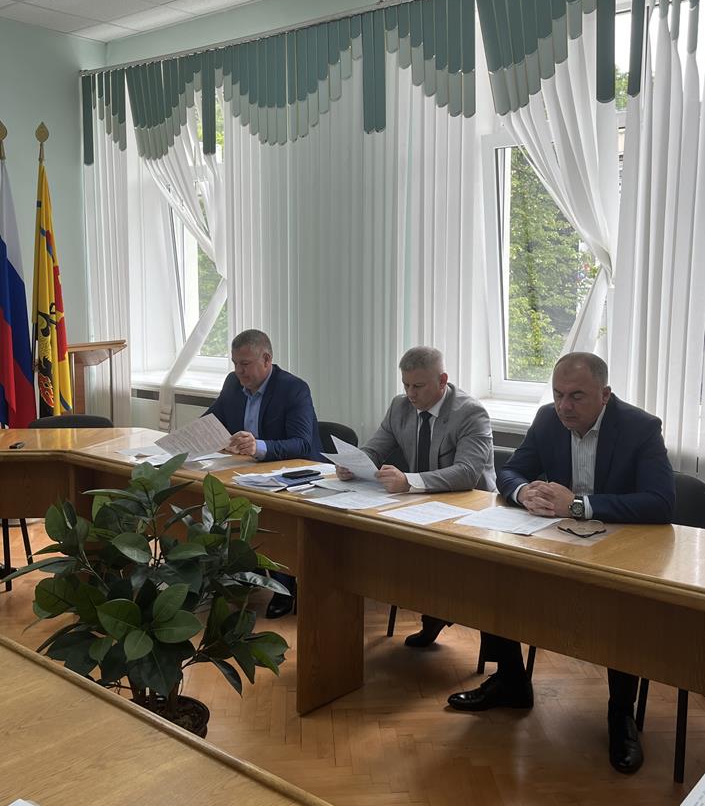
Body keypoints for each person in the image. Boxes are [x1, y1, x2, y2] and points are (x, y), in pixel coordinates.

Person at [447, 352, 675, 776]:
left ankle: (620, 713)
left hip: (620, 546)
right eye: (557, 394)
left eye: (576, 396)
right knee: (495, 571)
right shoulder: (547, 419)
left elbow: (661, 502)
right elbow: (511, 472)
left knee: (621, 602)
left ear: (605, 395)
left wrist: (579, 504)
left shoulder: (640, 427)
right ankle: (511, 681)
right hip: (557, 539)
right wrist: (525, 493)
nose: (564, 406)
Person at [338, 346, 495, 647]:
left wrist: (409, 481)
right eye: (406, 385)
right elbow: (375, 448)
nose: (410, 394)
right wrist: (354, 463)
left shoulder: (469, 412)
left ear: (442, 380)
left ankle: (452, 618)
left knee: (474, 572)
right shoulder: (400, 407)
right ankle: (433, 611)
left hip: (471, 508)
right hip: (421, 503)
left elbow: (467, 473)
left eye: (418, 386)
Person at [206, 329, 322, 618]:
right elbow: (211, 420)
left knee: (275, 516)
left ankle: (284, 584)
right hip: (247, 472)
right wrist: (190, 437)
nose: (239, 371)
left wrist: (258, 446)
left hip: (295, 475)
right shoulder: (233, 384)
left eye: (245, 364)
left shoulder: (293, 389)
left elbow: (302, 444)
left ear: (267, 359)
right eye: (235, 363)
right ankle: (243, 571)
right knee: (220, 501)